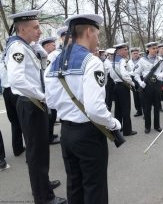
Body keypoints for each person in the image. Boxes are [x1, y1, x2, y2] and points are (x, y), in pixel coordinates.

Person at [45, 14, 122, 204]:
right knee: (94, 186)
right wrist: (113, 122)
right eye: (97, 34)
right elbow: (95, 109)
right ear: (88, 32)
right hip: (88, 133)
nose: (98, 39)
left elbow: (50, 102)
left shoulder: (54, 62)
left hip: (67, 132)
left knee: (74, 184)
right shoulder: (91, 61)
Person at [5, 10, 65, 204]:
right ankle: (44, 197)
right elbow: (16, 79)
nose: (40, 31)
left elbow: (38, 65)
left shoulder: (26, 46)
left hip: (32, 102)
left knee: (39, 150)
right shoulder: (18, 48)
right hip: (30, 102)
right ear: (22, 28)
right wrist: (42, 96)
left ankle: (43, 184)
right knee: (37, 152)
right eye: (36, 27)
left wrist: (37, 47)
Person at [134, 42, 163, 134]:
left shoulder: (160, 59)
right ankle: (147, 126)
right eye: (153, 48)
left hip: (157, 84)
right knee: (147, 107)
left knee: (157, 106)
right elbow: (136, 73)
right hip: (147, 84)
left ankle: (157, 125)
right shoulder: (142, 60)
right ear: (148, 49)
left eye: (156, 48)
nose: (156, 50)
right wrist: (141, 83)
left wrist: (161, 74)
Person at [0, 51, 25, 157]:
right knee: (25, 121)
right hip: (16, 91)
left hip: (6, 92)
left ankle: (17, 148)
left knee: (14, 121)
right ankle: (30, 154)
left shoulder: (2, 60)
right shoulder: (15, 56)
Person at [110, 43, 137, 136]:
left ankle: (118, 128)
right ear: (119, 51)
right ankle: (127, 131)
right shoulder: (122, 61)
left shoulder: (112, 60)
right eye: (125, 50)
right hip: (123, 86)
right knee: (126, 109)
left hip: (116, 86)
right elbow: (125, 75)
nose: (126, 51)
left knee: (118, 109)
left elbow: (110, 74)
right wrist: (132, 83)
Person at [39, 36, 60, 145]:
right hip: (49, 89)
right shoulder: (50, 56)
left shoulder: (48, 56)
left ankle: (50, 134)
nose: (55, 46)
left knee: (52, 114)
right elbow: (46, 74)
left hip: (50, 89)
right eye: (53, 45)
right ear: (46, 46)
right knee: (51, 115)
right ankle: (49, 137)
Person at [128, 47, 143, 117]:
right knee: (135, 95)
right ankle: (138, 110)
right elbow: (127, 72)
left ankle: (144, 111)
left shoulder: (142, 60)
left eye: (137, 53)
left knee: (142, 96)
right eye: (134, 53)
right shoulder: (129, 62)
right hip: (133, 79)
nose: (136, 54)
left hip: (141, 79)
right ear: (131, 54)